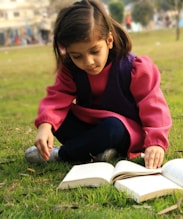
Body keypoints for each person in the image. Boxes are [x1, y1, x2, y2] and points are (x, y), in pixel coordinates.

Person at [24, 0, 172, 169]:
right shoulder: (71, 70)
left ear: (109, 40)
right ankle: (102, 151)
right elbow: (57, 98)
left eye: (94, 51)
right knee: (57, 118)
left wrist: (156, 142)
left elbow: (153, 105)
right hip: (91, 126)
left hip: (123, 131)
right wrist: (45, 127)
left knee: (111, 129)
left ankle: (61, 154)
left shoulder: (134, 68)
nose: (88, 62)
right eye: (77, 56)